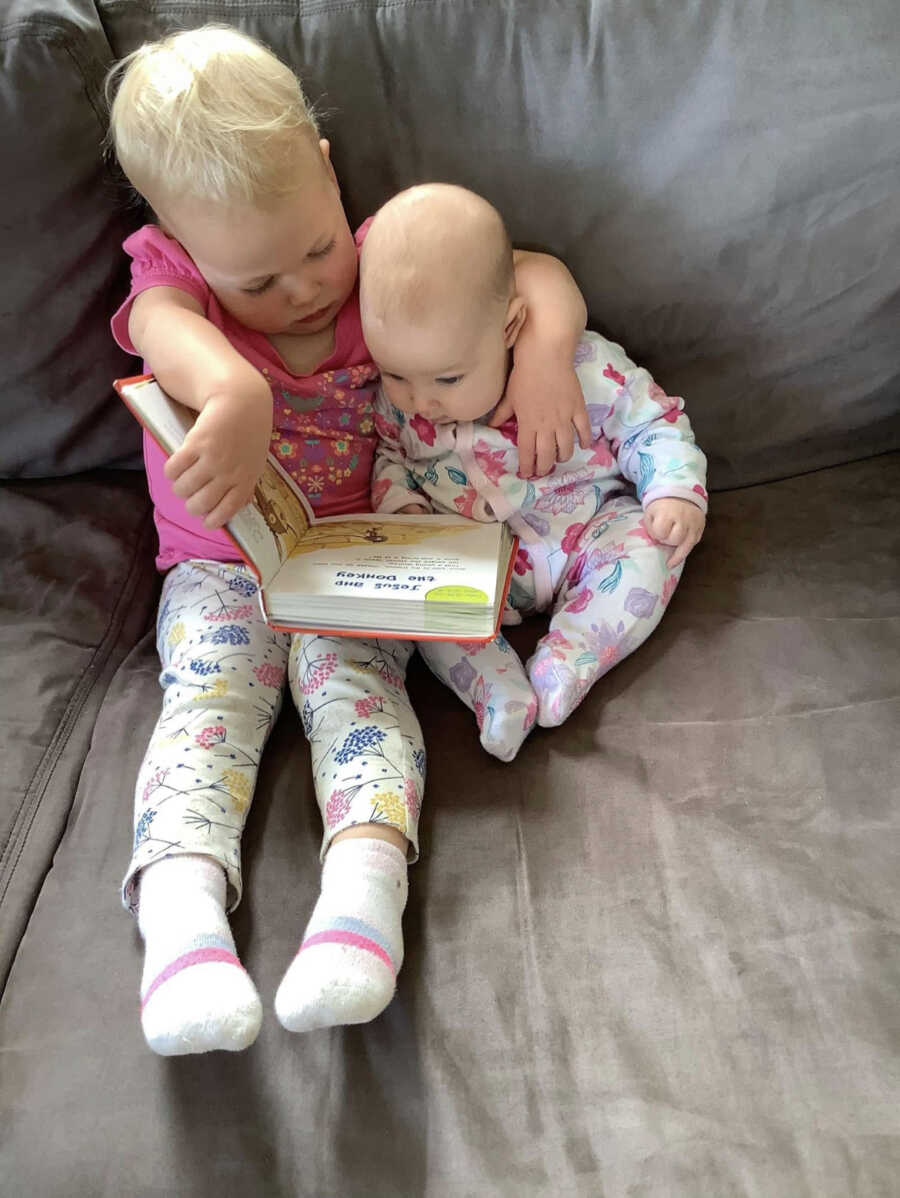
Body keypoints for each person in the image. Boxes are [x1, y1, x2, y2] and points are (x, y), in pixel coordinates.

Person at [105, 26, 592, 1054]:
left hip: (358, 555)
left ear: (327, 178)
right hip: (219, 567)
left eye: (318, 248)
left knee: (360, 699)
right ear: (183, 245)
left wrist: (544, 347)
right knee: (207, 707)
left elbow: (530, 270)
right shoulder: (175, 284)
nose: (306, 289)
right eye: (257, 282)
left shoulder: (378, 264)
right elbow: (159, 329)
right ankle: (182, 931)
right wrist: (232, 384)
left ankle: (361, 910)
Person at [359, 184, 708, 761]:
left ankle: (571, 658)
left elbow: (651, 422)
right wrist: (404, 513)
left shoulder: (581, 367)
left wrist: (674, 490)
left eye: (447, 379)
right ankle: (494, 689)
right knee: (421, 597)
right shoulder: (395, 406)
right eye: (396, 374)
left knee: (650, 548)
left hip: (589, 531)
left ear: (509, 326)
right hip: (475, 558)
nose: (420, 401)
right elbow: (390, 456)